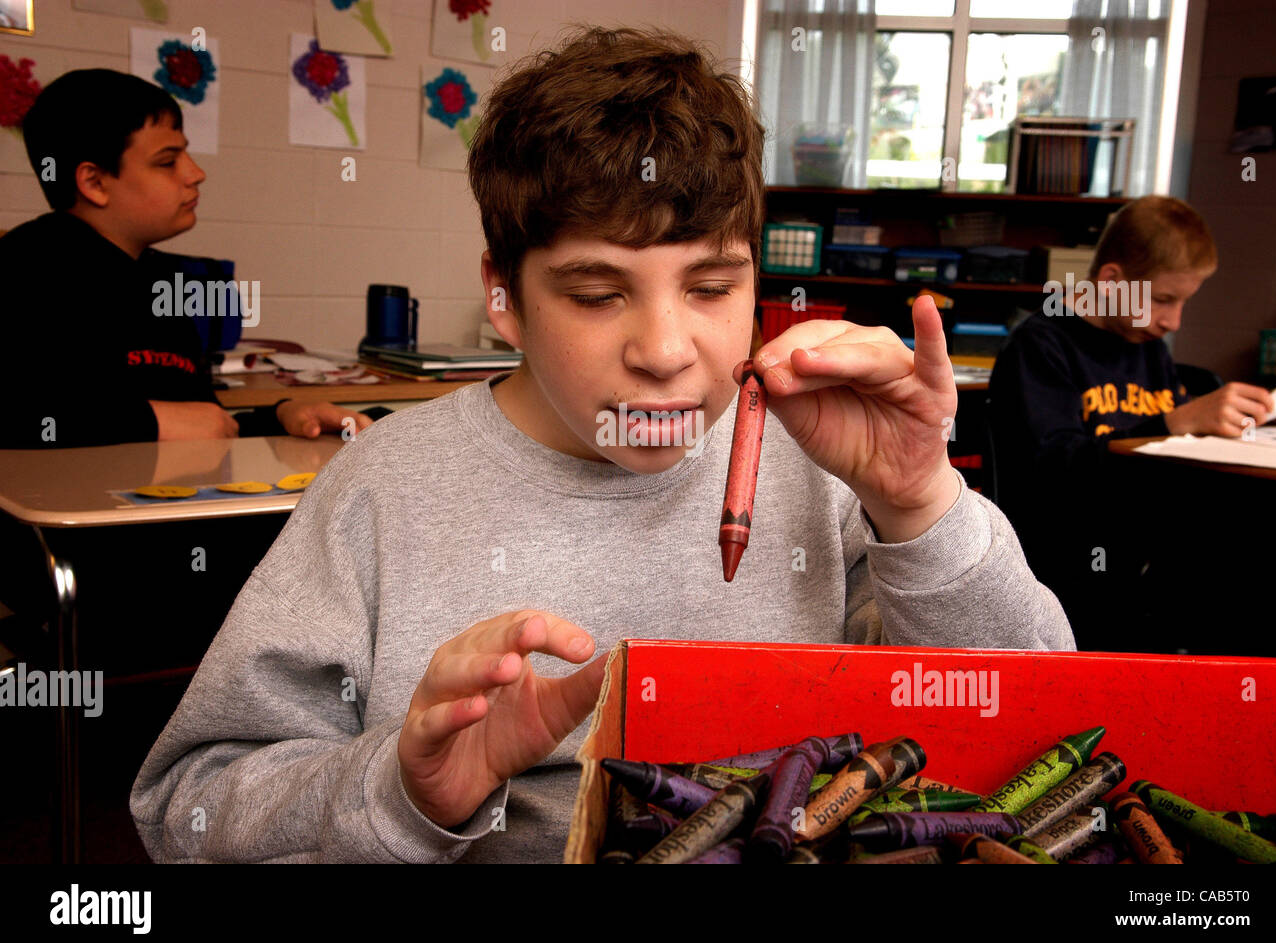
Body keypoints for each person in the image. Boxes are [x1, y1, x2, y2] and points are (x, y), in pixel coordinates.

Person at [131, 26, 1073, 864]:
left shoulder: (822, 470)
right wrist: (402, 793)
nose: (665, 352)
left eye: (711, 288)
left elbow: (1040, 742)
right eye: (595, 293)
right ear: (503, 298)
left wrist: (920, 505)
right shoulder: (384, 488)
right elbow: (187, 810)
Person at [989, 195, 1276, 650]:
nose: (1172, 321)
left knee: (1270, 545)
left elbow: (1172, 438)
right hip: (1073, 558)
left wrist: (1260, 418)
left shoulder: (1145, 343)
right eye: (1163, 300)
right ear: (1112, 281)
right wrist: (1177, 420)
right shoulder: (1041, 346)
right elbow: (1051, 469)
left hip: (1149, 539)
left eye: (1183, 302)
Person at [0, 69, 370, 448]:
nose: (196, 173)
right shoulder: (21, 270)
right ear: (94, 182)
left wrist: (283, 414)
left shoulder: (162, 277)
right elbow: (23, 419)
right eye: (167, 161)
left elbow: (204, 421)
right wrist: (150, 422)